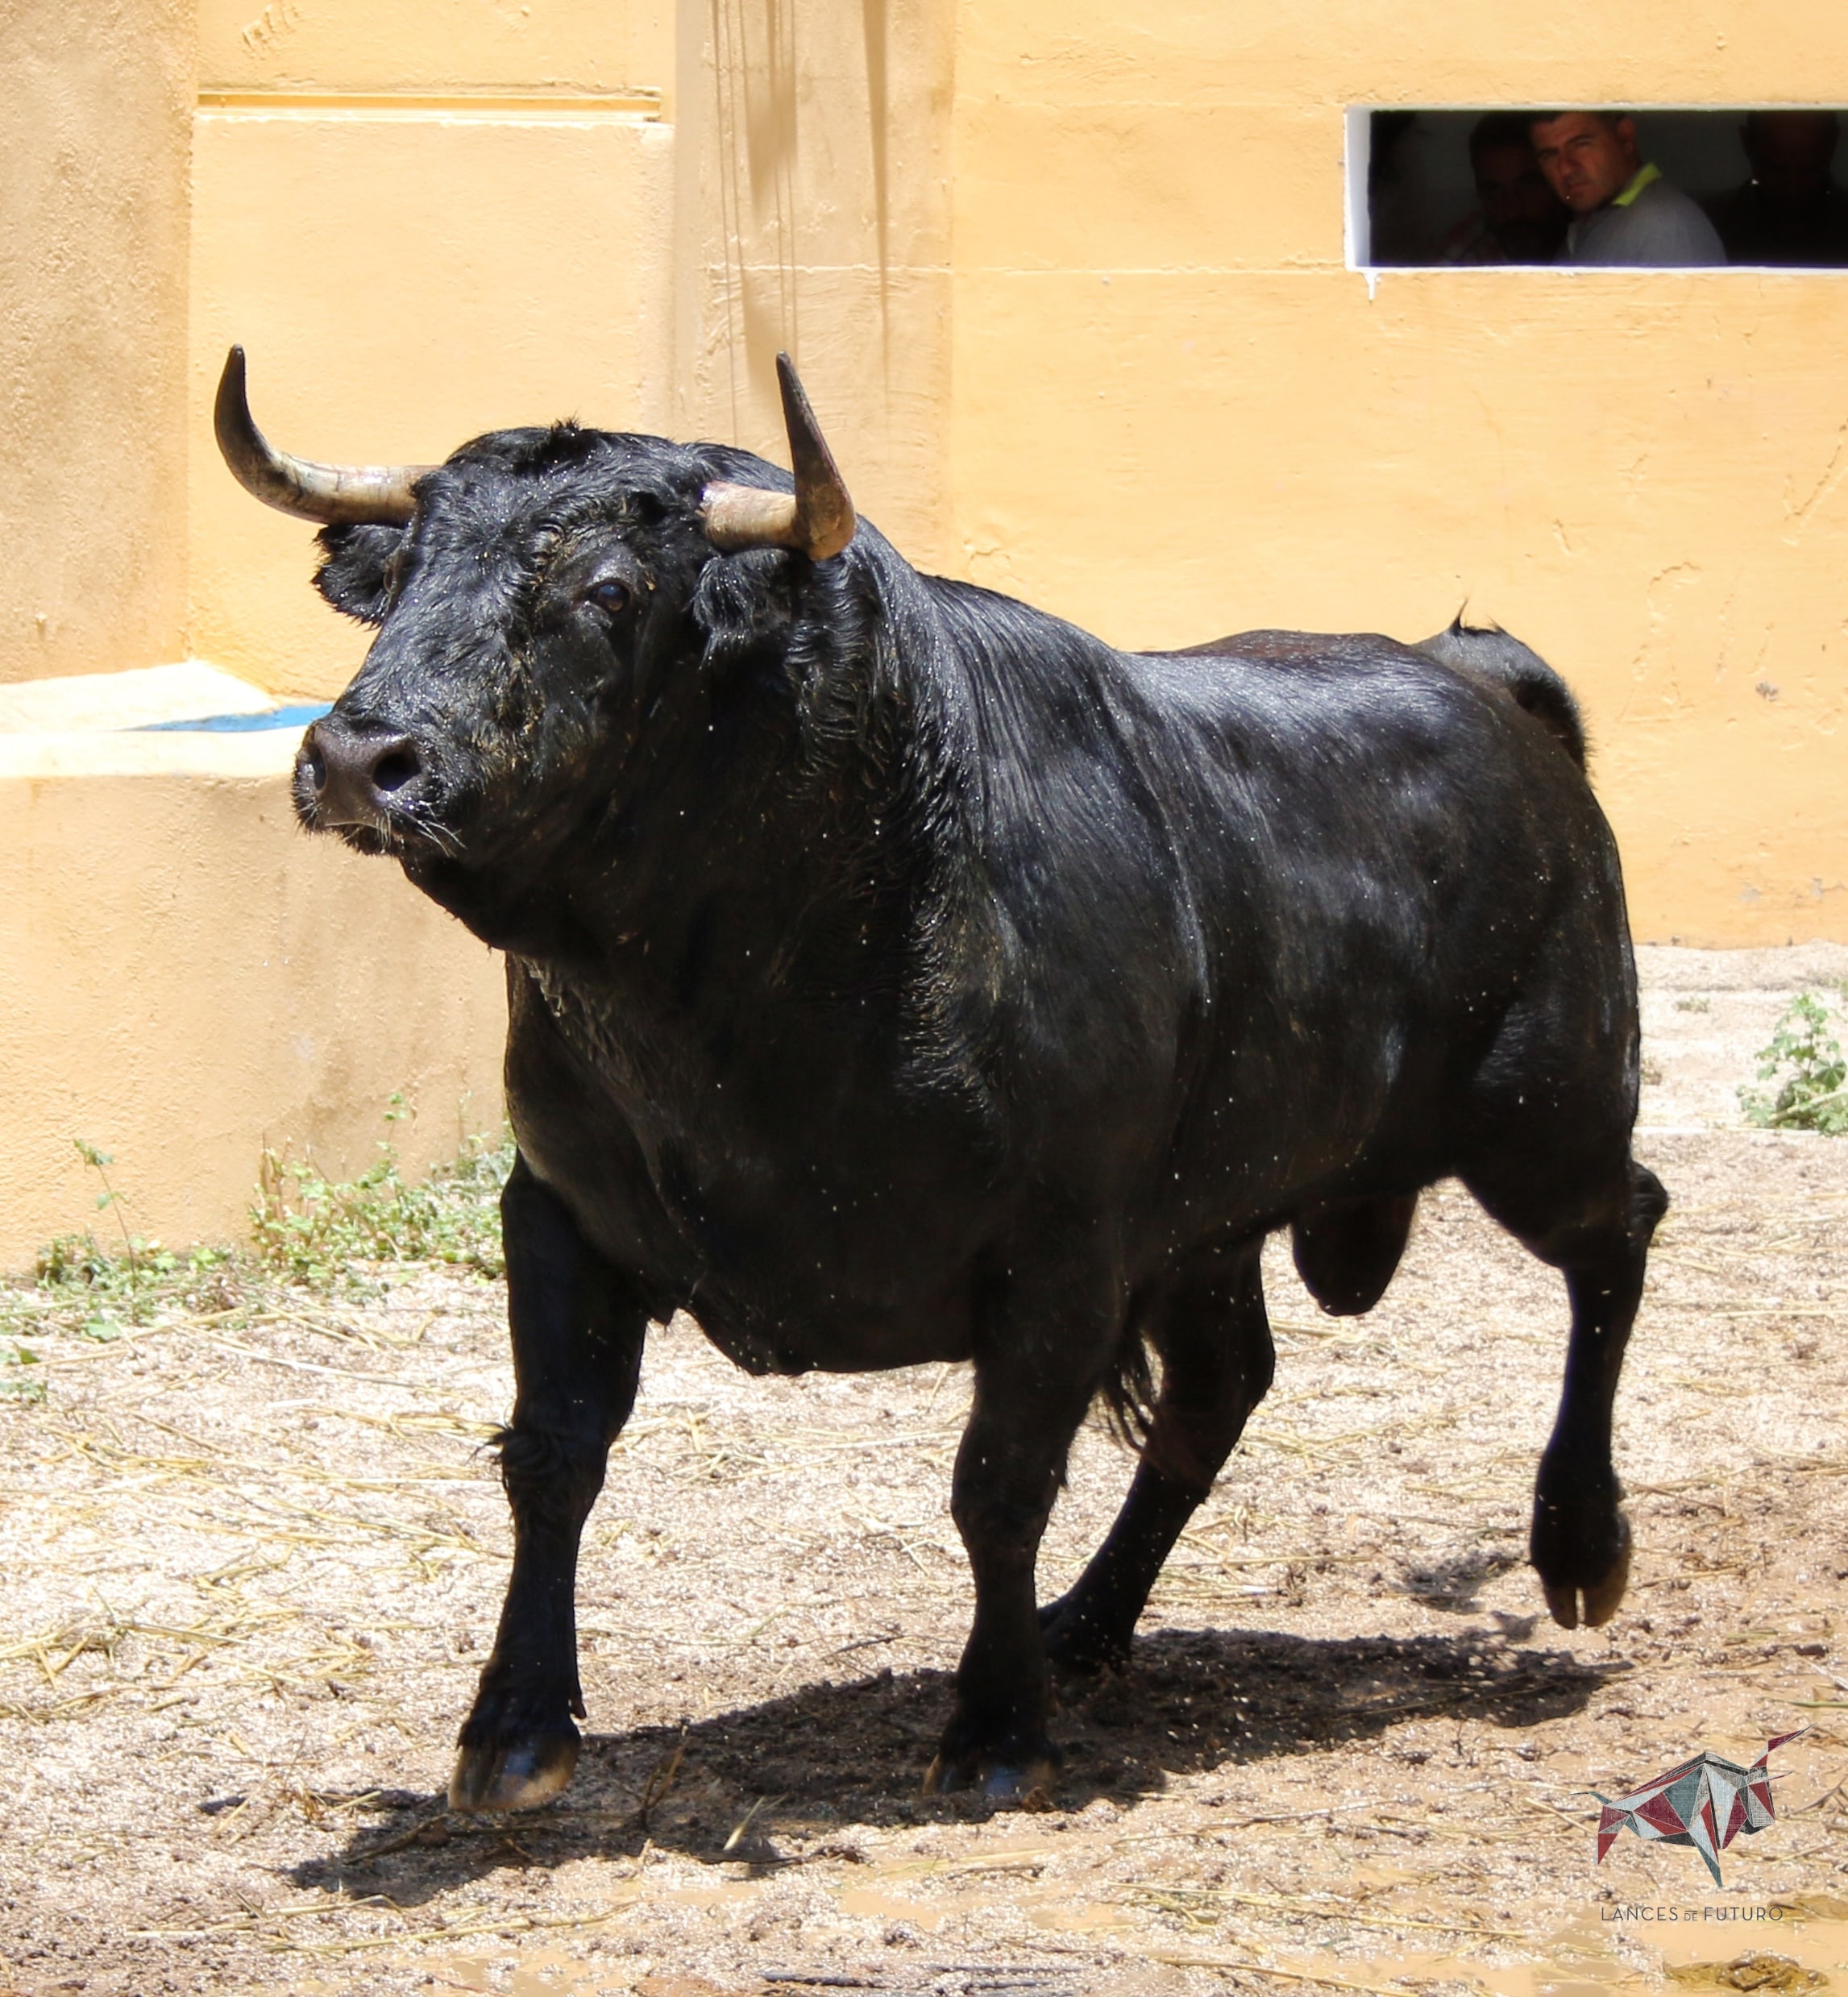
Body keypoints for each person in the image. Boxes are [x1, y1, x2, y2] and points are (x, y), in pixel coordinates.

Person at [1530, 110, 1725, 265]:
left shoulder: (1662, 224)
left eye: (1581, 145)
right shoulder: (1591, 226)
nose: (1565, 168)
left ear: (1625, 137)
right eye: (1550, 156)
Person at [1705, 110, 1848, 266]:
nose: (1793, 188)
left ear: (1834, 142)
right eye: (1776, 169)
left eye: (1809, 169)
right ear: (1746, 141)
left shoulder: (1711, 225)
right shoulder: (1704, 229)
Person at [1439, 113, 1571, 264]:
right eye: (1493, 190)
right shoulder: (1457, 265)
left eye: (1528, 186)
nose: (1512, 211)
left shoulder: (1592, 229)